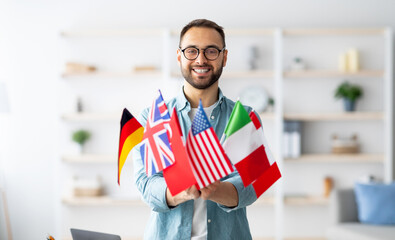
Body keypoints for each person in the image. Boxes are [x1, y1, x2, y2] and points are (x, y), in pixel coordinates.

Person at [132, 19, 258, 240]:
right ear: (179, 56)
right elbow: (147, 185)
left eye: (211, 51)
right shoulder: (153, 118)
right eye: (192, 51)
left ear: (224, 57)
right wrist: (181, 191)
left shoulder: (243, 117)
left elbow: (251, 185)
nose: (201, 59)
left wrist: (215, 190)